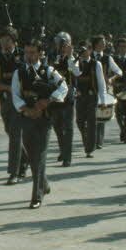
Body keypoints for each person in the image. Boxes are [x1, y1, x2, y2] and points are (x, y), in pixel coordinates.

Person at [12, 37, 67, 208]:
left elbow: (64, 87)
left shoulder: (49, 71)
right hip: (27, 117)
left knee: (40, 154)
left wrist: (48, 101)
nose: (29, 56)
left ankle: (36, 195)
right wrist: (26, 110)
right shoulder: (19, 72)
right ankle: (45, 184)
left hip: (45, 117)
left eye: (32, 52)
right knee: (31, 155)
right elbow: (15, 95)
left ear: (40, 53)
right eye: (26, 53)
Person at [0, 26, 27, 185]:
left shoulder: (23, 55)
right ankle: (25, 161)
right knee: (11, 133)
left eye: (8, 40)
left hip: (21, 101)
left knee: (16, 136)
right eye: (2, 40)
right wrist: (9, 88)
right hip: (5, 100)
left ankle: (14, 172)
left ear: (14, 42)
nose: (4, 43)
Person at [48, 32, 79, 167]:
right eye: (59, 43)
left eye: (64, 43)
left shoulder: (73, 58)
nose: (61, 46)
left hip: (68, 96)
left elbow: (77, 72)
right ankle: (63, 149)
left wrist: (70, 55)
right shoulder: (50, 56)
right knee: (57, 126)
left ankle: (68, 157)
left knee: (68, 127)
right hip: (54, 95)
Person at [73, 41, 106, 159]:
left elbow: (101, 83)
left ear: (90, 50)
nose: (83, 52)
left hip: (92, 96)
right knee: (79, 121)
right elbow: (76, 72)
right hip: (80, 96)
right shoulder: (77, 63)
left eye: (85, 49)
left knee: (91, 121)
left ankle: (89, 149)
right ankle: (87, 138)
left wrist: (103, 100)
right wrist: (77, 59)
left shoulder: (96, 64)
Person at [91, 34, 121, 151]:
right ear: (96, 44)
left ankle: (98, 141)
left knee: (101, 114)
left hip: (103, 89)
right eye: (102, 42)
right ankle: (91, 139)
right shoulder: (89, 57)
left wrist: (111, 79)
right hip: (91, 89)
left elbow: (119, 71)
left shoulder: (107, 58)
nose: (105, 44)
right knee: (91, 116)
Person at [111, 37, 126, 144]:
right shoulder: (113, 59)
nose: (122, 48)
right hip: (117, 87)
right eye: (120, 46)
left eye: (125, 46)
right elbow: (110, 72)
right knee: (118, 112)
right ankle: (123, 129)